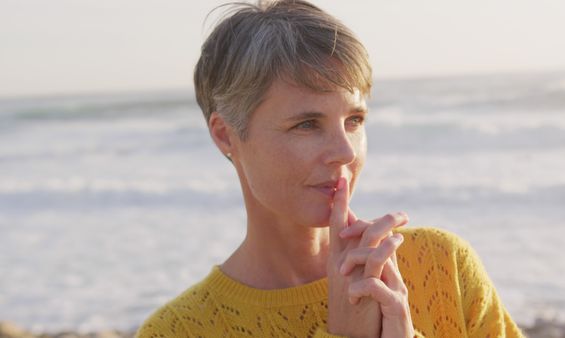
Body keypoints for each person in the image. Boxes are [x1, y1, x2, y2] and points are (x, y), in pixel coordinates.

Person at [135, 1, 524, 337]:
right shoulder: (177, 330)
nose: (344, 152)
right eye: (306, 125)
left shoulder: (444, 266)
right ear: (226, 136)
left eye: (354, 120)